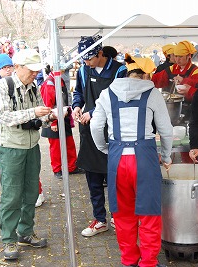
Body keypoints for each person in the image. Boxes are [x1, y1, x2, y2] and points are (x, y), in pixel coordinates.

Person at [90, 53, 172, 267]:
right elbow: (166, 130)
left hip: (117, 159)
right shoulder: (152, 93)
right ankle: (148, 262)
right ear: (145, 75)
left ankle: (129, 260)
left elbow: (96, 126)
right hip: (144, 158)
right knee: (149, 215)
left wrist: (105, 148)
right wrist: (166, 156)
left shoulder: (107, 93)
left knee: (123, 215)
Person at [0, 49, 52, 260]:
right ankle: (8, 239)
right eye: (31, 71)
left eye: (37, 71)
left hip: (31, 145)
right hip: (9, 147)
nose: (35, 75)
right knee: (12, 194)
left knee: (31, 191)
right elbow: (5, 116)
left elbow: (38, 111)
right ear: (18, 67)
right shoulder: (3, 85)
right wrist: (34, 113)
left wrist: (49, 116)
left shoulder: (33, 86)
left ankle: (25, 232)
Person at [72, 35, 127, 237]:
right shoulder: (83, 69)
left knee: (114, 177)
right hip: (89, 130)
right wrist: (76, 106)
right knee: (92, 176)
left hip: (112, 130)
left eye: (90, 58)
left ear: (101, 53)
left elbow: (117, 98)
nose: (86, 62)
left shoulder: (120, 70)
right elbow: (78, 92)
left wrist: (93, 112)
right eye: (84, 59)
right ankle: (100, 219)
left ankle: (118, 216)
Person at [40, 68, 82, 179]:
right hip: (54, 118)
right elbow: (47, 105)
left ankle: (72, 166)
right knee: (55, 146)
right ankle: (57, 169)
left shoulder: (59, 80)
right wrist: (53, 121)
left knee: (69, 143)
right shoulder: (49, 83)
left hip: (63, 116)